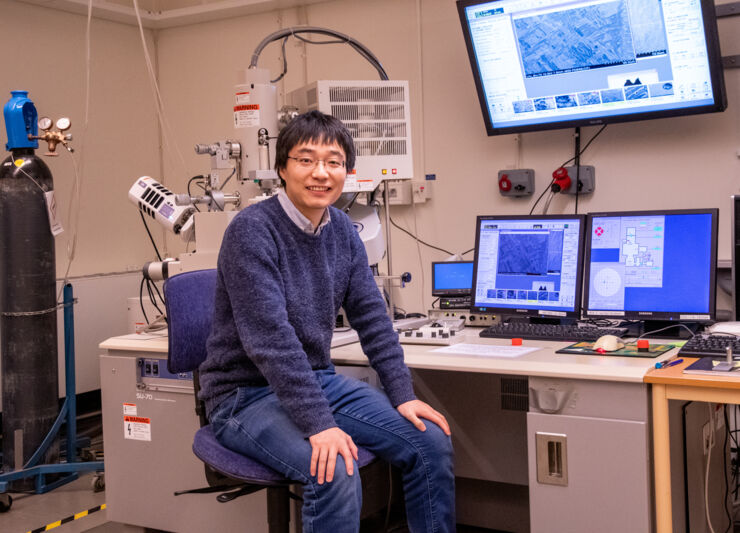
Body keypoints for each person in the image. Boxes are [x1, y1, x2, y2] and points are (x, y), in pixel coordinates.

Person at [198, 110, 455, 532]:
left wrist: (403, 393)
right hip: (243, 396)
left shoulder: (342, 232)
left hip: (316, 381)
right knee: (334, 467)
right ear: (282, 168)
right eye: (306, 159)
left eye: (333, 162)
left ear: (347, 173)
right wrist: (320, 425)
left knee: (429, 440)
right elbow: (271, 341)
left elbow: (373, 318)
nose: (321, 172)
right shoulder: (252, 231)